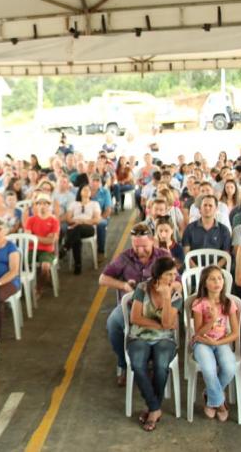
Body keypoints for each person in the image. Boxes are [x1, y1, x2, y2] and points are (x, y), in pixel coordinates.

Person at [100, 223, 171, 384]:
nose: (139, 250)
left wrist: (160, 288)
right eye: (136, 246)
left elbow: (177, 283)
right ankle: (124, 363)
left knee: (161, 327)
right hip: (129, 306)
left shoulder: (163, 256)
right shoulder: (125, 257)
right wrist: (123, 285)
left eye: (144, 246)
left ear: (152, 240)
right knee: (113, 324)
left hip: (156, 306)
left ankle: (152, 363)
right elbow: (103, 279)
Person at [126, 257, 183, 431]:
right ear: (158, 275)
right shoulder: (142, 288)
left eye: (174, 274)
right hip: (140, 336)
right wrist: (159, 325)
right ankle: (155, 407)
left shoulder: (176, 294)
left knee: (161, 366)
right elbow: (135, 318)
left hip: (165, 339)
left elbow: (168, 324)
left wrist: (166, 298)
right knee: (137, 364)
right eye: (168, 275)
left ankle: (152, 409)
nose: (173, 278)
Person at [191, 266, 239, 421]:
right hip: (202, 343)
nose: (217, 282)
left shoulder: (228, 303)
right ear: (205, 283)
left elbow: (235, 333)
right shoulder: (199, 303)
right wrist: (211, 320)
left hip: (221, 342)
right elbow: (198, 333)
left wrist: (218, 343)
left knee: (230, 367)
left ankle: (210, 397)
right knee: (209, 369)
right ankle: (220, 404)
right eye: (212, 279)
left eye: (219, 278)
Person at [24, 194, 60, 295]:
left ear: (49, 205)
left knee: (45, 266)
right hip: (31, 250)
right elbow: (28, 238)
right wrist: (44, 238)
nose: (42, 206)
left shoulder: (54, 221)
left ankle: (39, 288)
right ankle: (22, 288)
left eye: (45, 203)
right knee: (18, 262)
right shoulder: (31, 220)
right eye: (39, 203)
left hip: (47, 251)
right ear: (36, 205)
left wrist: (34, 237)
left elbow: (52, 241)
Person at [64, 184, 101, 274]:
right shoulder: (73, 204)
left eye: (89, 190)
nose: (87, 191)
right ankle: (78, 265)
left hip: (88, 228)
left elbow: (96, 220)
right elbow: (68, 219)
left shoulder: (94, 204)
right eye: (84, 189)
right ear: (80, 192)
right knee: (76, 236)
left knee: (77, 229)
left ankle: (66, 247)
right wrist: (76, 222)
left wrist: (81, 222)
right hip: (74, 227)